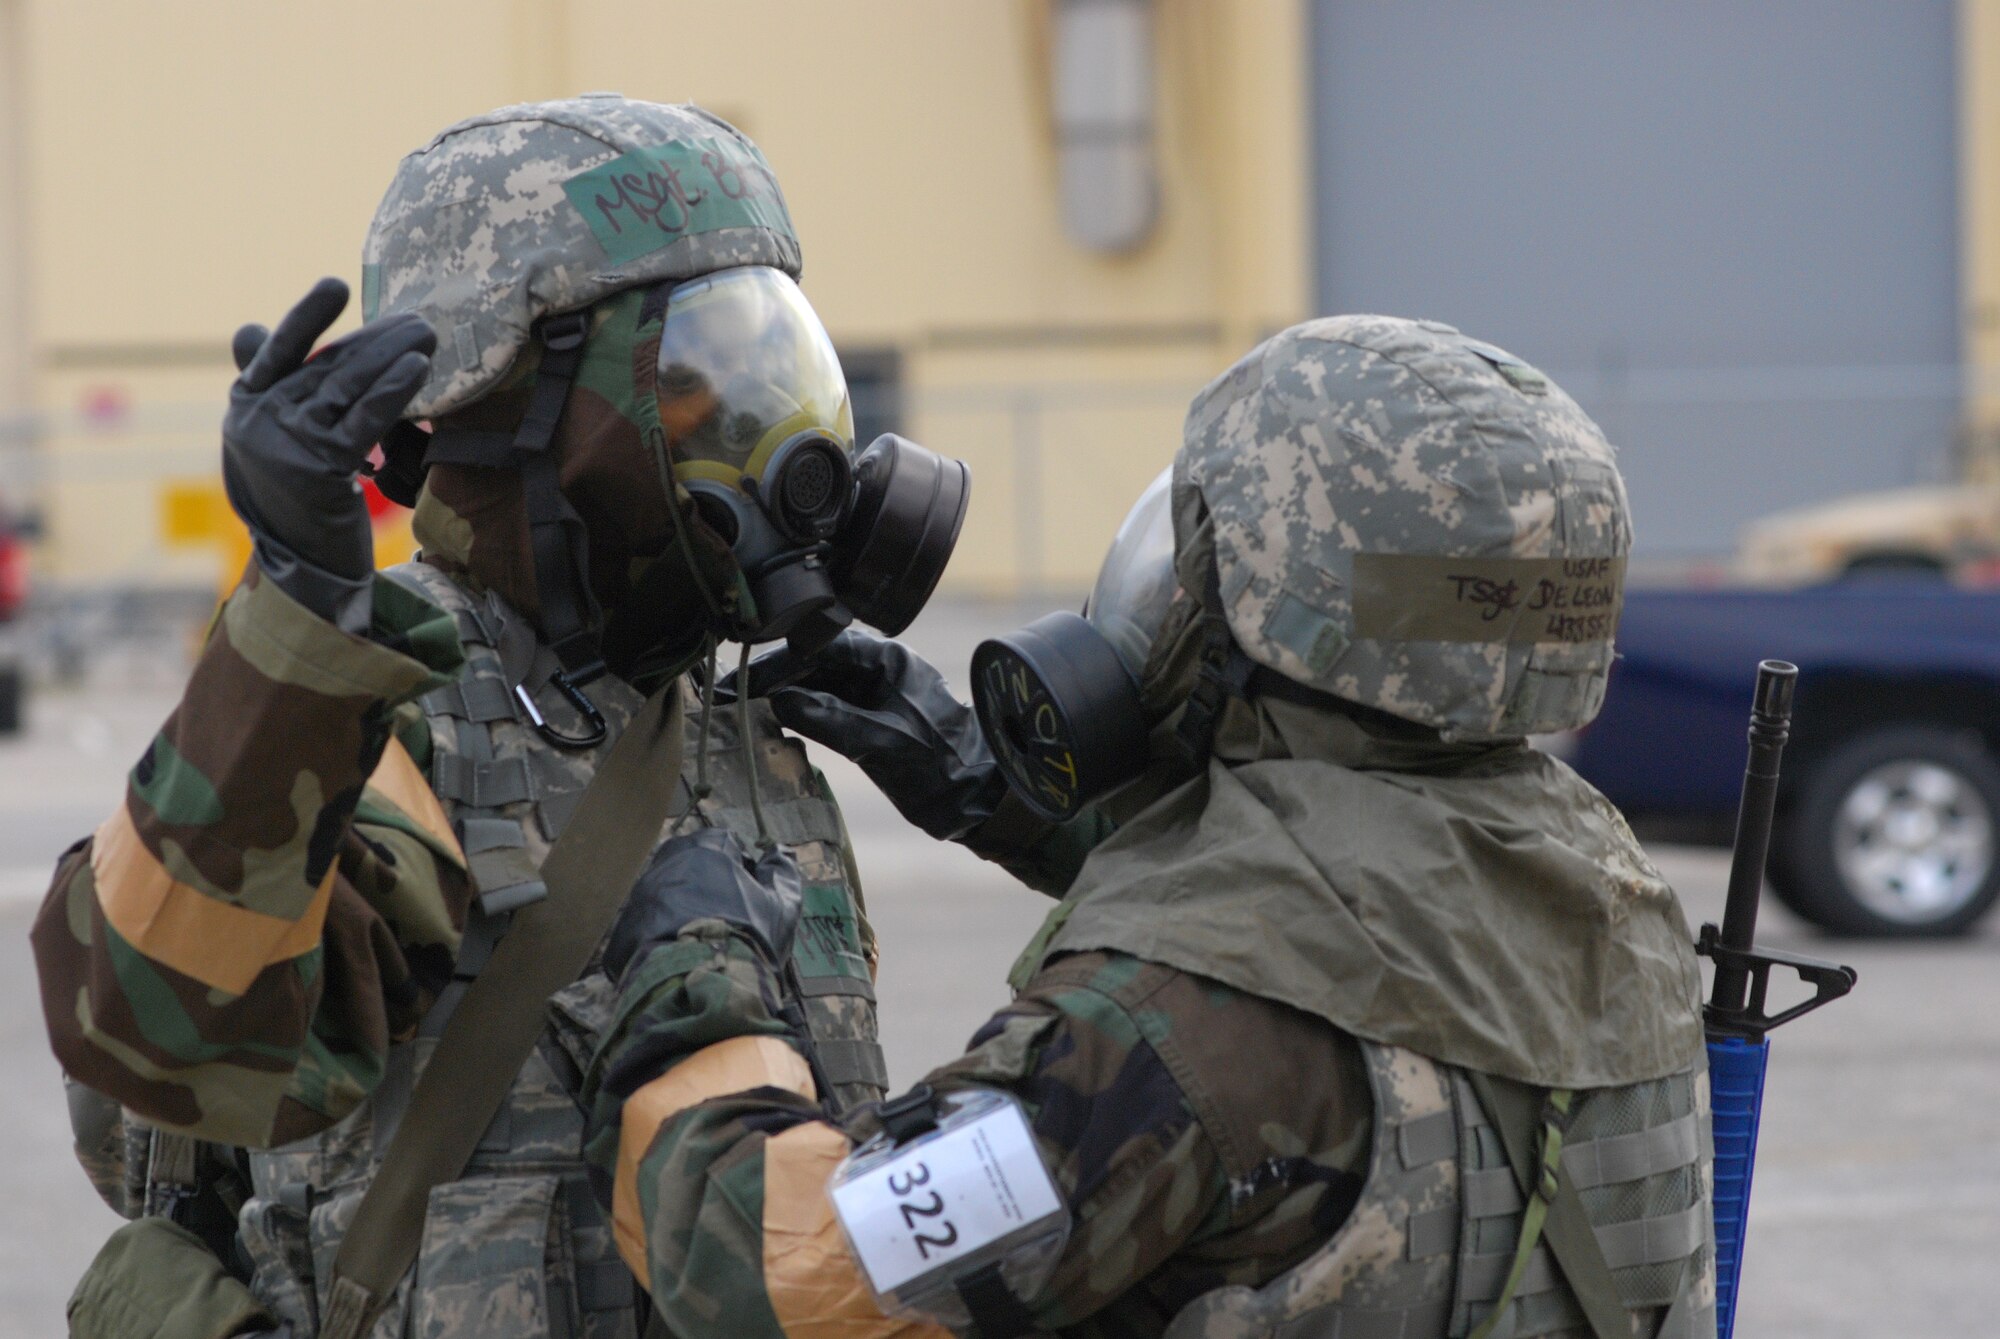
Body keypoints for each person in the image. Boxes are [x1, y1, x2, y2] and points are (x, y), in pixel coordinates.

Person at [35, 95, 1040, 1339]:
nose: (761, 425)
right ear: (525, 400)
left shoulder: (733, 721)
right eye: (696, 378)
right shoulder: (371, 703)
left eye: (774, 357)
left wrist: (1042, 802)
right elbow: (165, 1047)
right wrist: (294, 633)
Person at [579, 315, 1717, 1339]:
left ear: (1243, 623)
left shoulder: (1152, 1040)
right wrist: (997, 787)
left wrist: (700, 969)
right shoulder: (1607, 891)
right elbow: (1367, 932)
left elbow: (784, 1278)